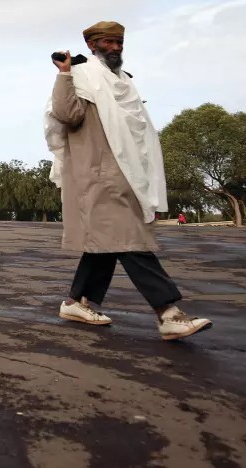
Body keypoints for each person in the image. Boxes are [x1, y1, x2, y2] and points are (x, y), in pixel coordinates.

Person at [45, 21, 212, 341]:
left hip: (127, 176)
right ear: (93, 45)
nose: (115, 48)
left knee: (106, 244)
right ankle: (168, 313)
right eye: (108, 42)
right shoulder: (83, 76)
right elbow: (67, 115)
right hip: (98, 175)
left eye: (119, 42)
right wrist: (65, 74)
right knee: (131, 240)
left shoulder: (121, 82)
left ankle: (76, 302)